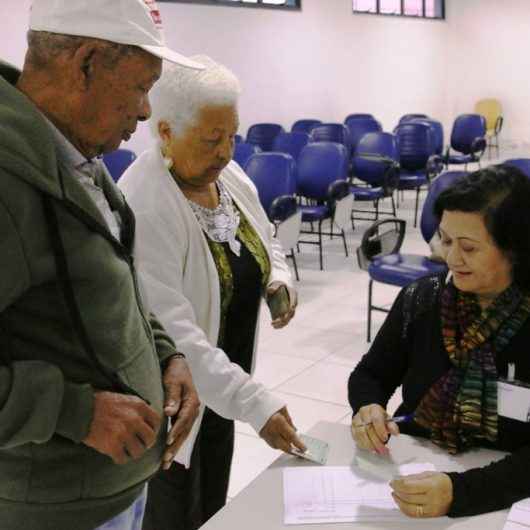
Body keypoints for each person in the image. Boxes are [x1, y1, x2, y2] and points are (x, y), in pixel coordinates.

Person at [0, 1, 204, 529]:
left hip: (109, 490)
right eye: (141, 86)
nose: (144, 111)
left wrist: (165, 354)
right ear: (86, 63)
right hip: (53, 510)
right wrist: (74, 412)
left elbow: (107, 287)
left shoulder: (67, 153)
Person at [119, 56, 305, 530]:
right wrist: (256, 403)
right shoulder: (147, 199)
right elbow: (174, 332)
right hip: (175, 401)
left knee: (211, 502)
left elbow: (267, 237)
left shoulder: (228, 177)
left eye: (232, 135)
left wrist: (277, 279)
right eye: (210, 138)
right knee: (174, 507)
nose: (225, 151)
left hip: (226, 389)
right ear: (164, 131)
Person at [348, 165, 530, 519]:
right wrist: (367, 407)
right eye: (446, 241)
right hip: (417, 467)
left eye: (469, 248)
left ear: (515, 250)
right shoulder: (423, 299)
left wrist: (461, 492)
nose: (451, 259)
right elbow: (370, 374)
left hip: (508, 493)